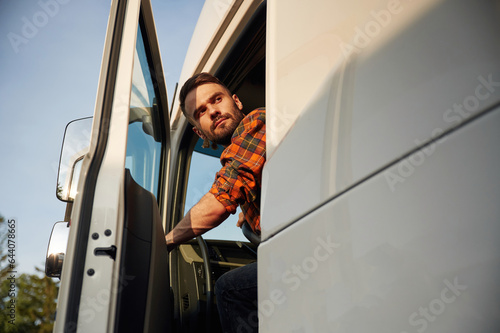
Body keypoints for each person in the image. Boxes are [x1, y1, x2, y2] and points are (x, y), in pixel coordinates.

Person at [165, 72, 265, 332]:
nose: (213, 111)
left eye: (217, 99)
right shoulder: (247, 152)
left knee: (229, 288)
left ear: (237, 102)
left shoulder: (256, 121)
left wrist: (166, 240)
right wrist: (252, 210)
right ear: (199, 132)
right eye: (201, 111)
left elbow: (222, 198)